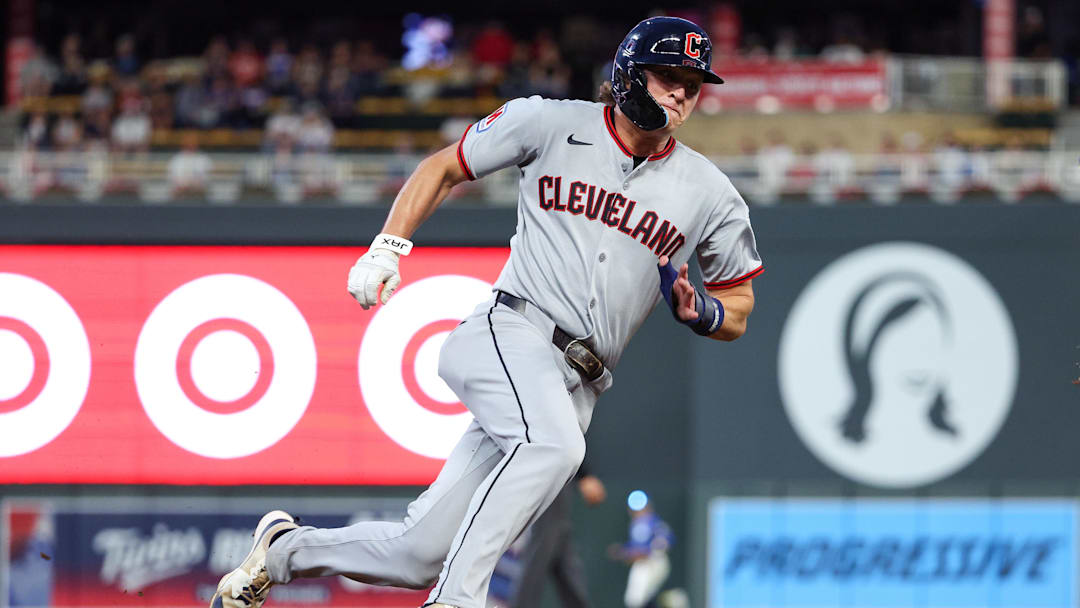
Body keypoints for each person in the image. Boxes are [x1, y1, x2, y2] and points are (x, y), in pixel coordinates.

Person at [210, 16, 763, 608]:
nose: (682, 91)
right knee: (554, 449)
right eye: (669, 75)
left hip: (577, 385)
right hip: (513, 330)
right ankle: (457, 602)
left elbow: (739, 306)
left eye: (693, 82)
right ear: (629, 72)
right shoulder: (550, 122)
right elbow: (443, 166)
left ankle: (282, 551)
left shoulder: (709, 191)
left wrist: (703, 311)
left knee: (415, 553)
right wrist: (388, 245)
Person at [607, 491, 673, 608]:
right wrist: (623, 551)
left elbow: (665, 541)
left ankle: (670, 598)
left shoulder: (654, 522)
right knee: (635, 599)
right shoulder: (634, 525)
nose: (639, 512)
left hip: (654, 562)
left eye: (641, 508)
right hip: (642, 564)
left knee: (640, 596)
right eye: (635, 509)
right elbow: (635, 548)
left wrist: (647, 551)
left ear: (648, 507)